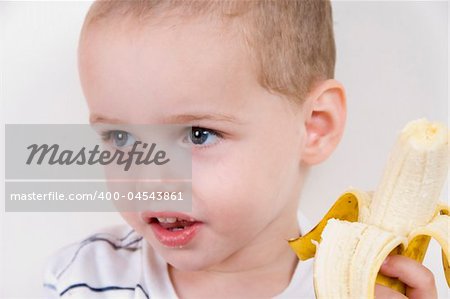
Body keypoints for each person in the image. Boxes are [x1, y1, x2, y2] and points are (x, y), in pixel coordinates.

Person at [43, 1, 437, 298]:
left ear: (314, 126)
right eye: (120, 138)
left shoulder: (357, 291)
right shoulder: (82, 277)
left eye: (197, 134)